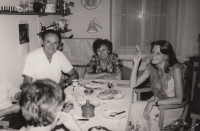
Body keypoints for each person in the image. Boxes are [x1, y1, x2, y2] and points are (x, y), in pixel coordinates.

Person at [129, 40, 185, 131]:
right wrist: (136, 63)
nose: (153, 55)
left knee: (143, 112)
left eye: (158, 53)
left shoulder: (176, 69)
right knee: (134, 107)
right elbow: (132, 85)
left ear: (166, 56)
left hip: (171, 109)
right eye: (152, 51)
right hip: (156, 104)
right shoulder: (151, 68)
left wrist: (153, 103)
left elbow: (179, 99)